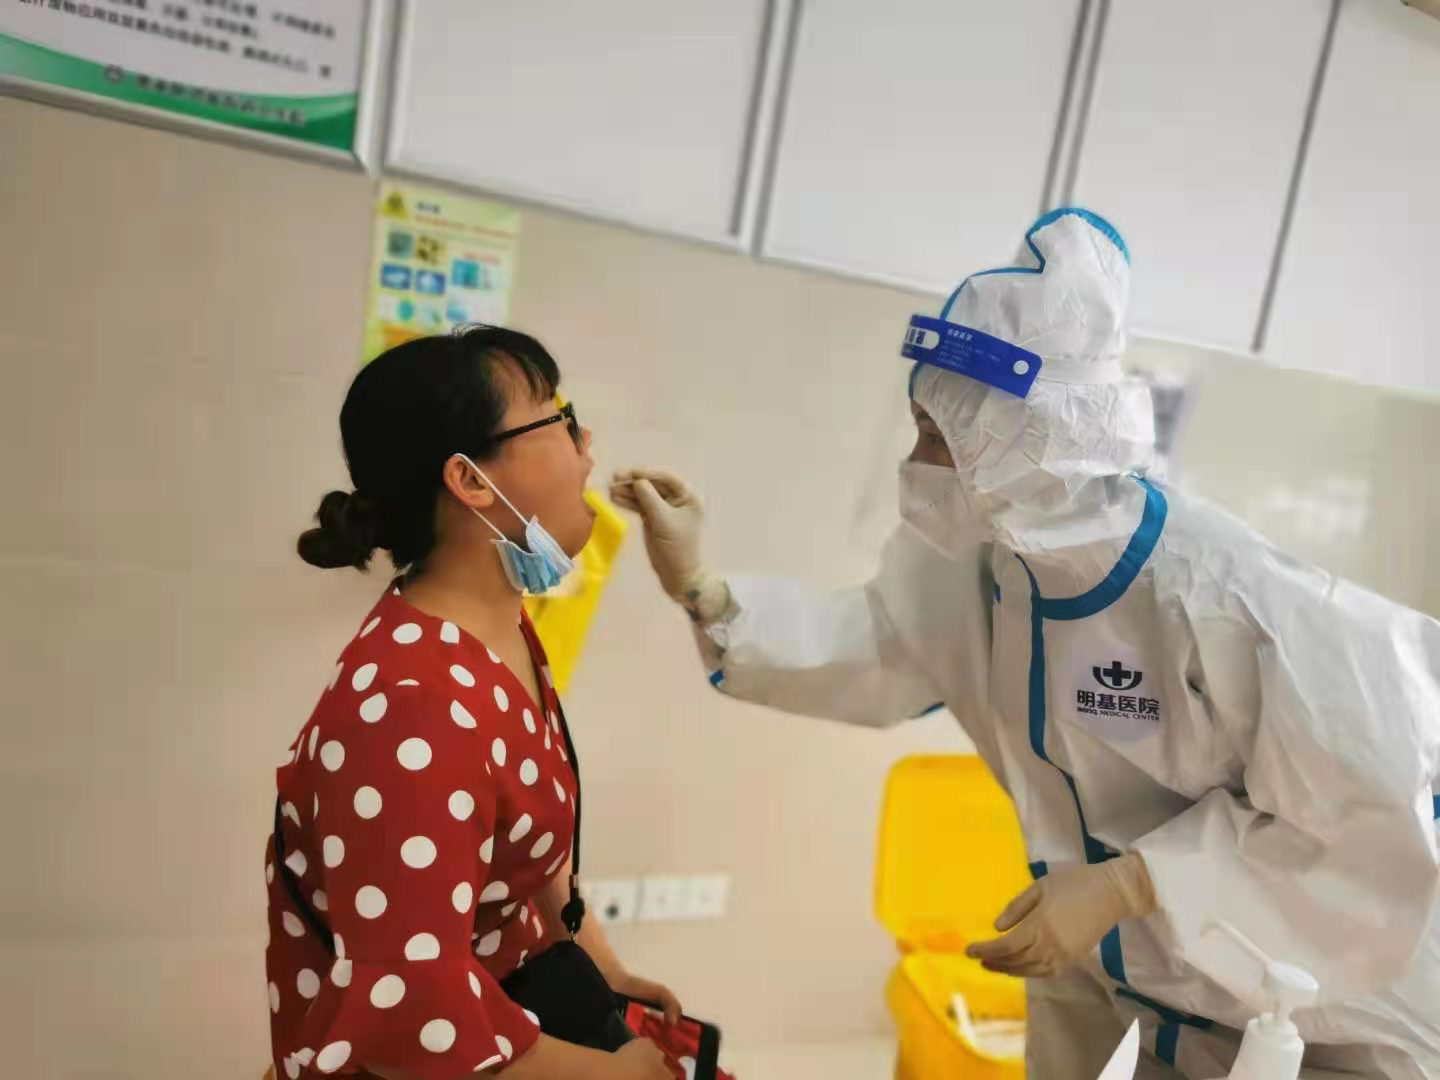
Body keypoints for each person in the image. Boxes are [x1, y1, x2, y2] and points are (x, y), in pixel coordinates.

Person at [613, 210, 1440, 1079]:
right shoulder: (985, 567)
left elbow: (1367, 830)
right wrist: (702, 588)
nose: (916, 463)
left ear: (1025, 443)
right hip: (1135, 992)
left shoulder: (1224, 594)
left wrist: (1133, 883)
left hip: (1327, 1024)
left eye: (939, 437)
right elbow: (876, 645)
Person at [267, 326, 676, 1080]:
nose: (587, 445)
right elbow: (407, 1013)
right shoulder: (409, 706)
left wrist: (599, 963)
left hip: (515, 1007)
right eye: (559, 418)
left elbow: (519, 835)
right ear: (470, 481)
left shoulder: (501, 633)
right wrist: (615, 1074)